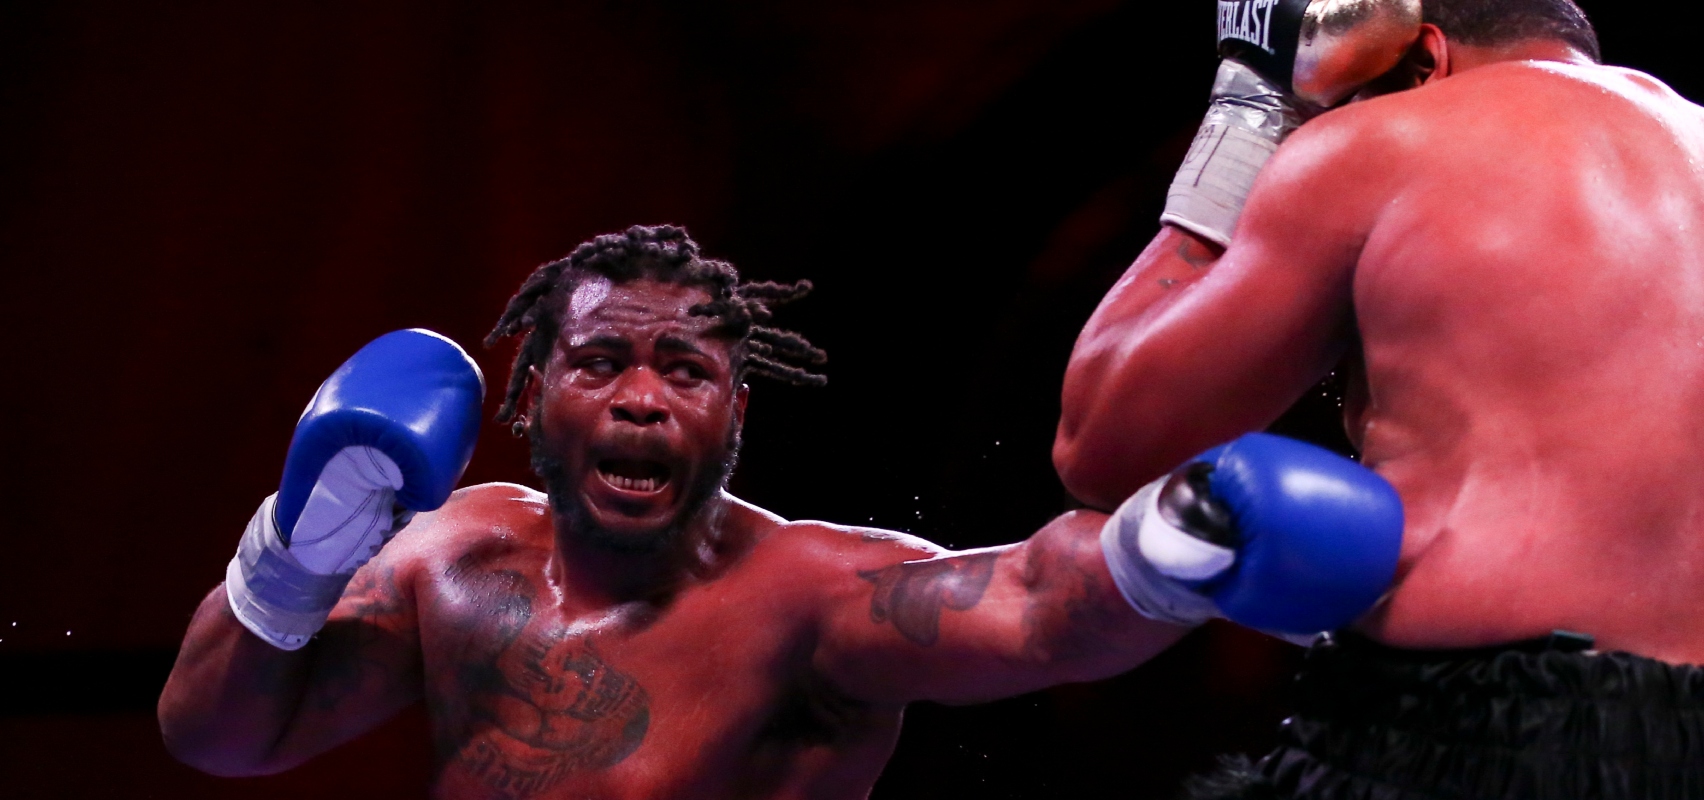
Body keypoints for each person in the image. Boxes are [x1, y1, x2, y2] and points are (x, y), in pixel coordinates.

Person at [158, 224, 1401, 799]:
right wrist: (299, 553)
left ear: (735, 413)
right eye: (602, 362)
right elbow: (222, 738)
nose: (643, 398)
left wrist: (1170, 540)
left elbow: (1029, 603)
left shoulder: (808, 598)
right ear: (531, 396)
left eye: (686, 371)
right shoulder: (456, 552)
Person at [1053, 0, 1704, 797]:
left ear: (1423, 57)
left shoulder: (1391, 138)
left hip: (1480, 732)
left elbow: (1103, 446)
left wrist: (1253, 116)